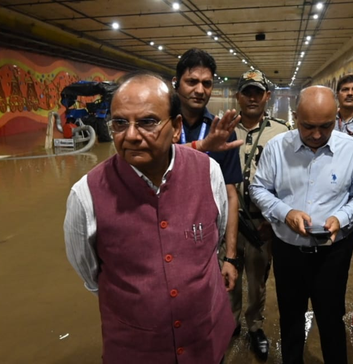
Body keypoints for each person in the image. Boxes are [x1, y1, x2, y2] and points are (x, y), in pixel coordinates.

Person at [64, 71, 235, 364]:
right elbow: (90, 274)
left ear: (177, 126)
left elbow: (213, 243)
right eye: (120, 123)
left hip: (205, 340)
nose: (130, 135)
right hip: (136, 350)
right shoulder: (86, 195)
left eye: (147, 122)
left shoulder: (208, 173)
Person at [249, 86, 353, 364]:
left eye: (326, 126)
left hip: (333, 253)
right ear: (295, 117)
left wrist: (341, 218)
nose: (317, 135)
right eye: (308, 126)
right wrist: (285, 212)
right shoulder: (276, 148)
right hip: (288, 251)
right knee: (291, 316)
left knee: (331, 317)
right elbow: (259, 189)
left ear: (337, 118)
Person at [230, 69, 290, 360]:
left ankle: (254, 327)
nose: (252, 98)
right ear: (237, 96)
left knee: (257, 281)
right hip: (228, 220)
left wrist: (274, 219)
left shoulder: (282, 132)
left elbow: (292, 180)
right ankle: (229, 324)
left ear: (267, 96)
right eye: (246, 92)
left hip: (261, 223)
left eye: (257, 92)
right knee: (227, 277)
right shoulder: (224, 128)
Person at [172, 48, 243, 294]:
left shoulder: (221, 131)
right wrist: (201, 147)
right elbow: (150, 160)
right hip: (162, 231)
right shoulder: (158, 124)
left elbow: (230, 194)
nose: (200, 90)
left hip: (205, 236)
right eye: (192, 82)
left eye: (206, 83)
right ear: (176, 83)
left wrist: (230, 257)